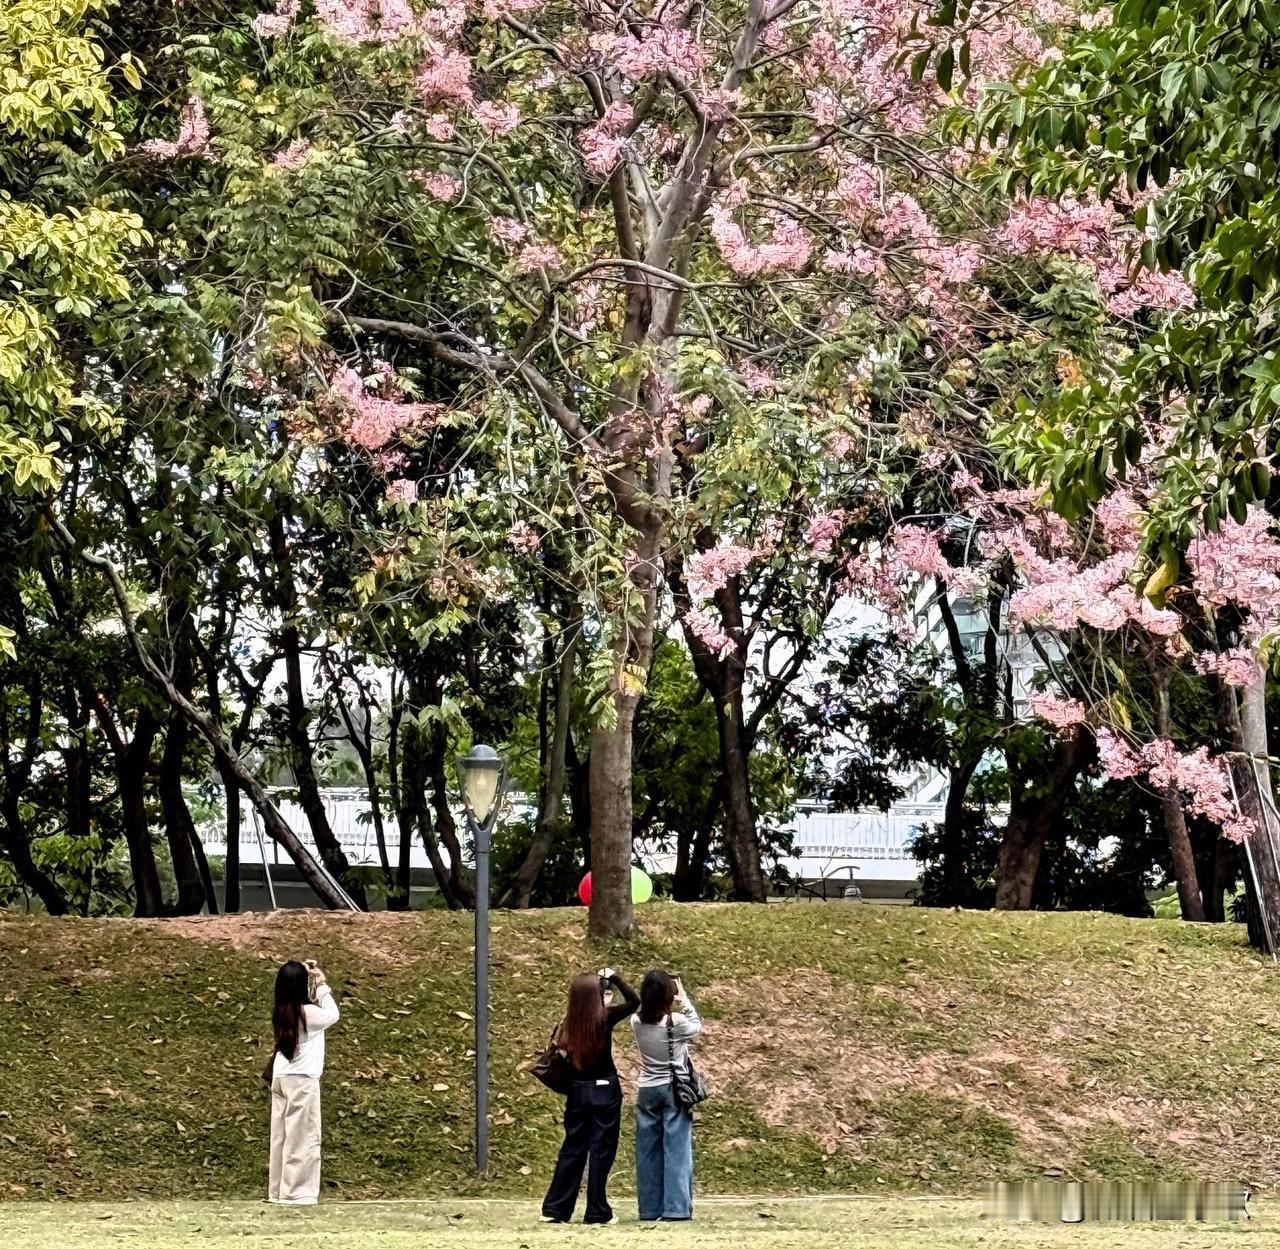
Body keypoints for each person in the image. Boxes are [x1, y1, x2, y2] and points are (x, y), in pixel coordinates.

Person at [541, 967, 640, 1225]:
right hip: (605, 1090)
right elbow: (634, 1001)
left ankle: (556, 1209)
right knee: (601, 1151)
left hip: (577, 1091)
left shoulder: (568, 1024)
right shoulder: (604, 1018)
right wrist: (615, 977)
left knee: (572, 1149)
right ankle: (597, 1210)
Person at [631, 969, 702, 1222]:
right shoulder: (676, 1023)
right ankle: (676, 1208)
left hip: (647, 1087)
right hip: (674, 1089)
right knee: (676, 1149)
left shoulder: (636, 1022)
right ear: (668, 996)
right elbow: (697, 1027)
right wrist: (685, 1000)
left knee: (647, 1150)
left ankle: (649, 1208)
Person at [268, 958, 340, 1206]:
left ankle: (278, 1190)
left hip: (281, 1076)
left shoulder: (282, 1011)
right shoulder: (307, 1013)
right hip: (303, 1080)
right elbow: (333, 1014)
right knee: (303, 1137)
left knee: (281, 1136)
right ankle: (297, 1192)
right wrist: (321, 985)